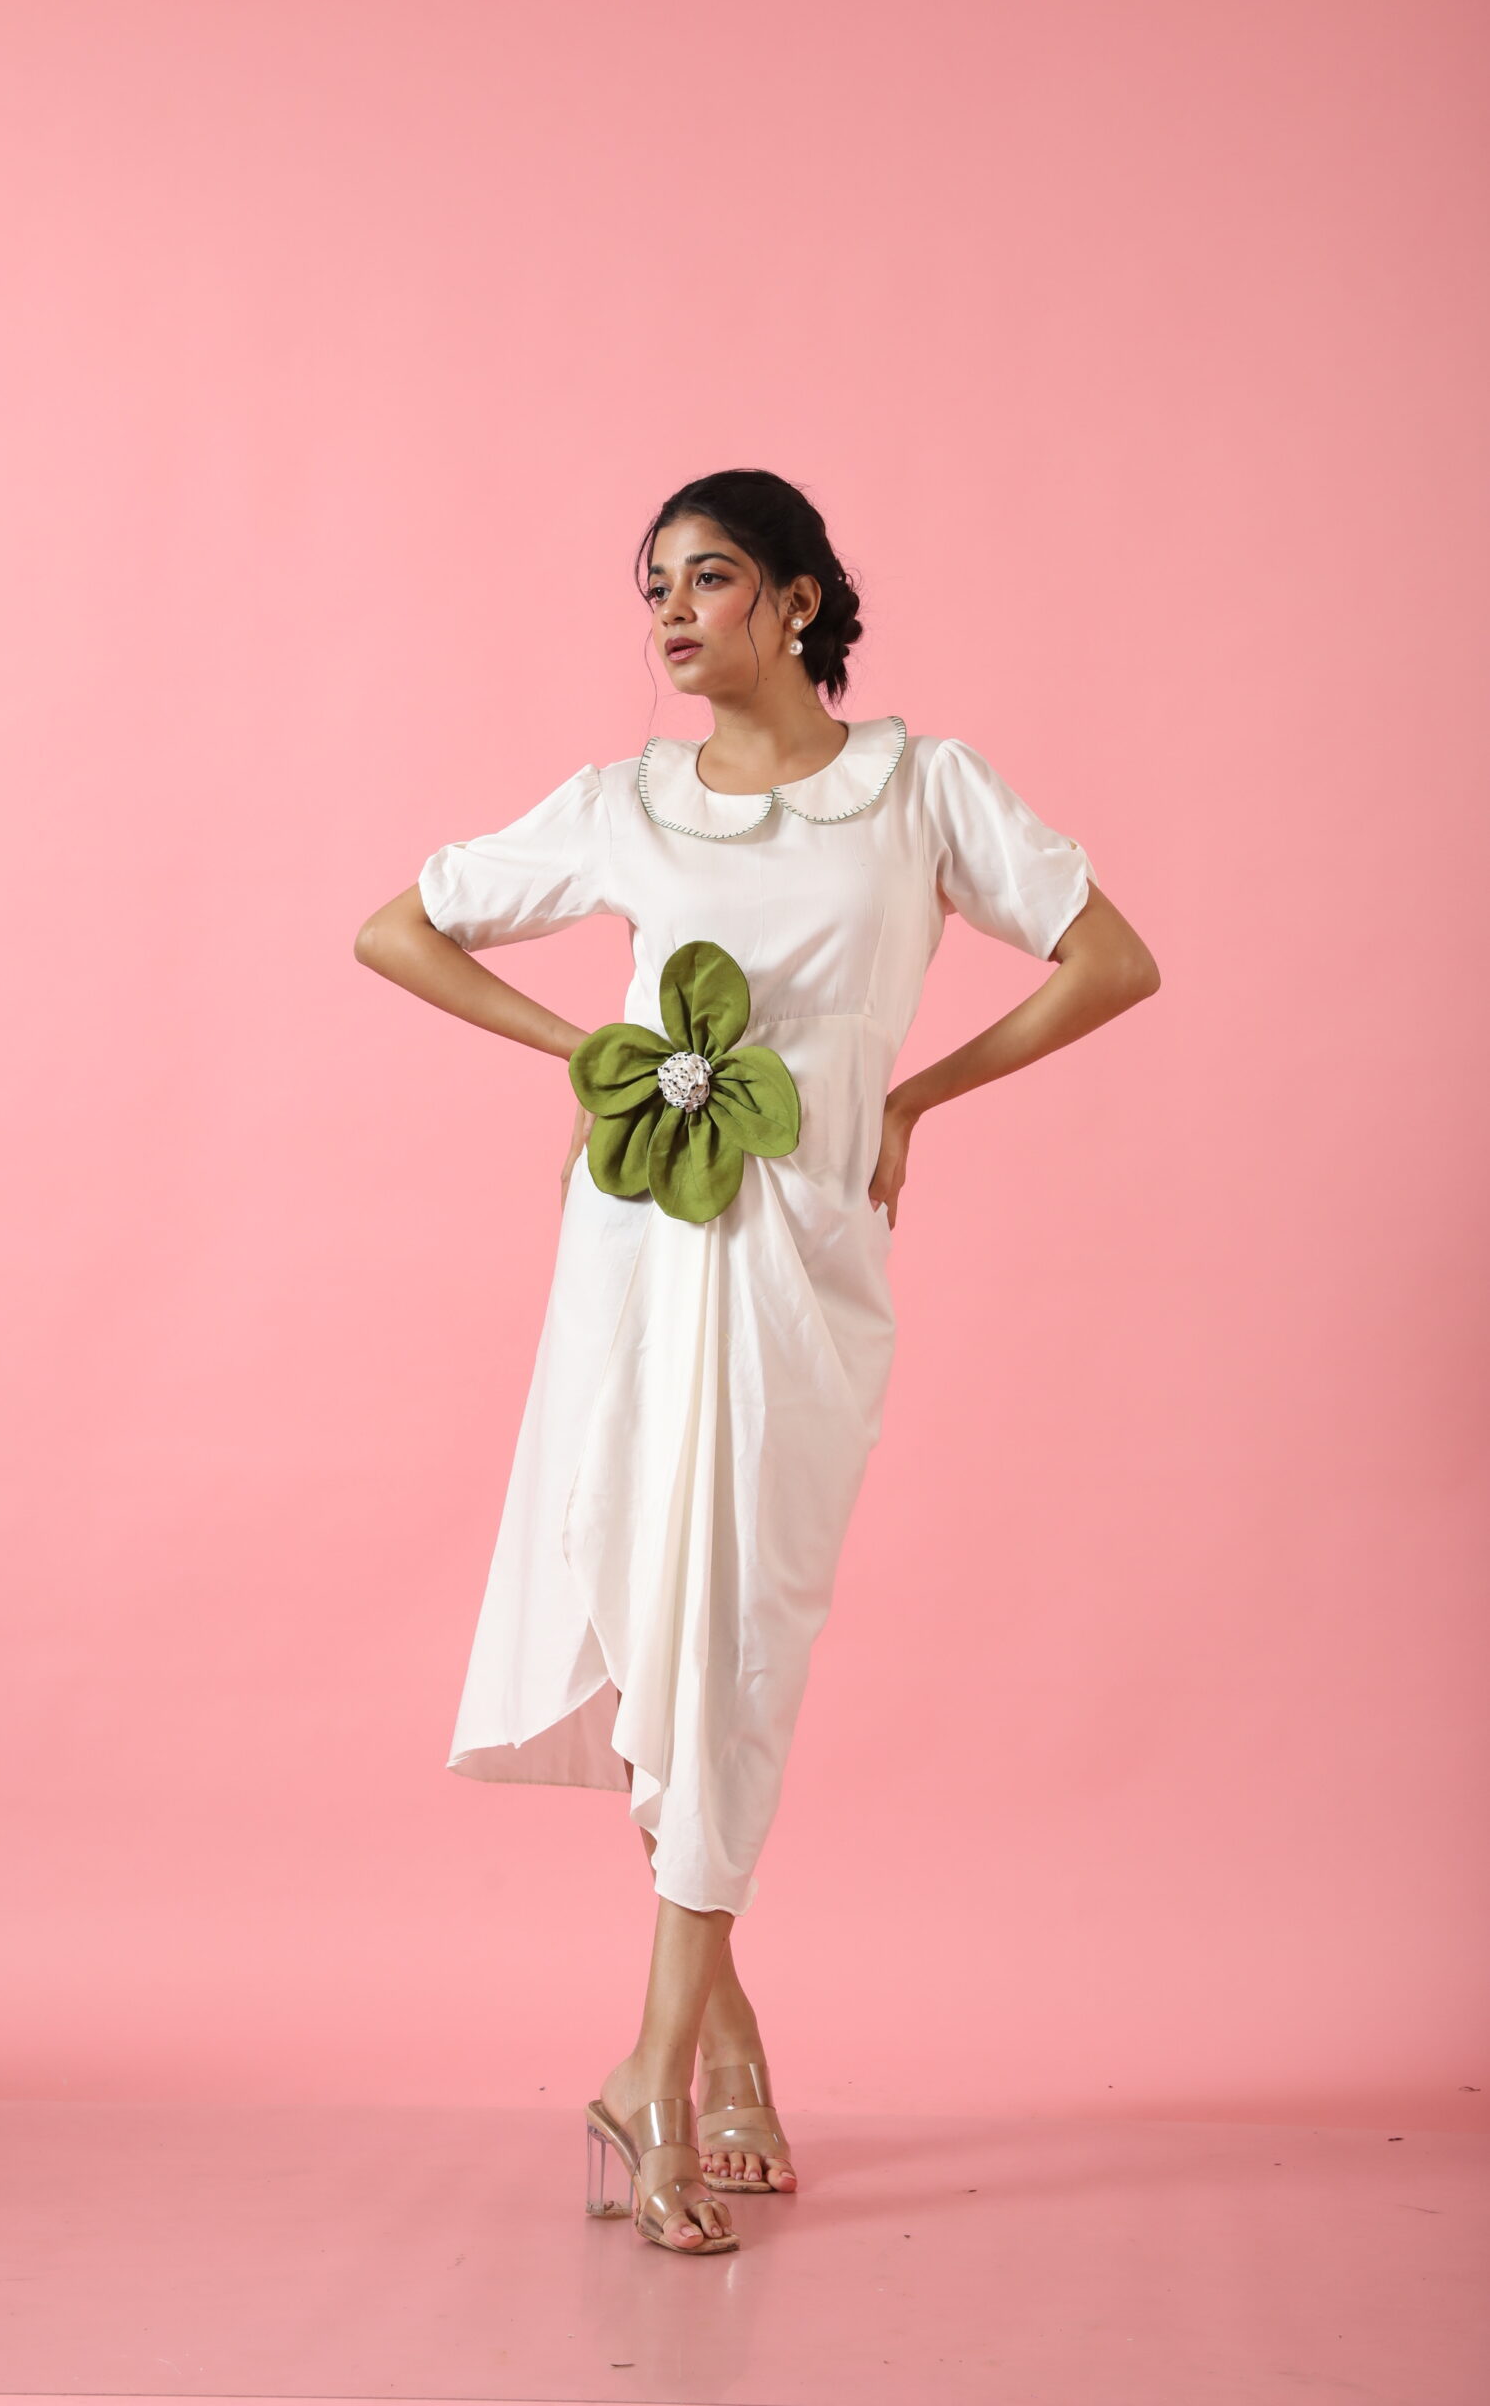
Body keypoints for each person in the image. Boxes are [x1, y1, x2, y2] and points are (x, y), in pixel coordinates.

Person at [356, 467, 1160, 2256]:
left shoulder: (921, 790)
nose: (669, 611)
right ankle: (675, 2067)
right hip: (640, 1252)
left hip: (804, 1257)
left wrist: (913, 1097)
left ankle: (687, 2054)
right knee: (661, 1619)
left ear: (799, 601)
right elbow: (397, 927)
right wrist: (594, 1055)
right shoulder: (623, 803)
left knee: (743, 1627)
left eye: (709, 577)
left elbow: (1113, 959)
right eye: (653, 584)